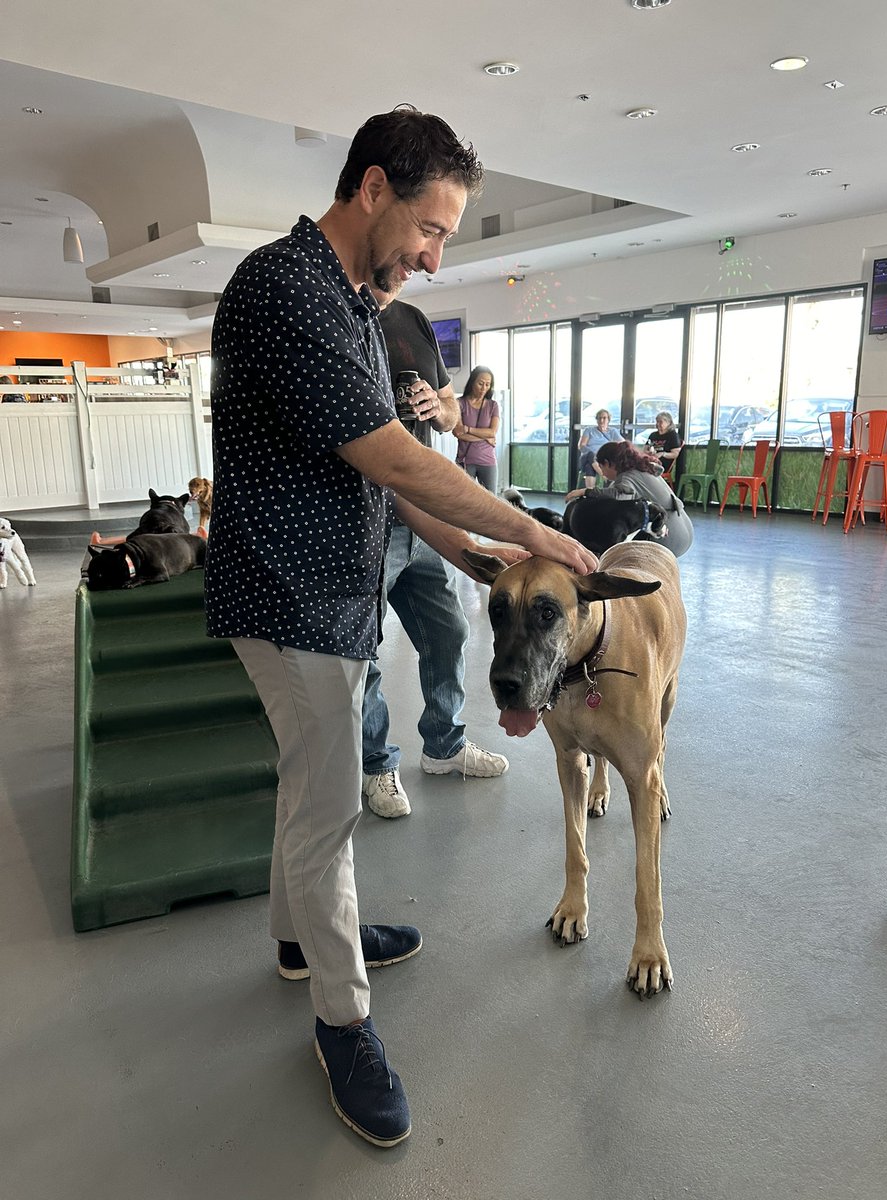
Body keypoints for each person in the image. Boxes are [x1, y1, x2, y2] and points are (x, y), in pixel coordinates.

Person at [204, 106, 598, 1149]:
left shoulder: (352, 305)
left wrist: (490, 555)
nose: (433, 256)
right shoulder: (286, 289)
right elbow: (390, 455)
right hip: (289, 596)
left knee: (309, 788)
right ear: (373, 190)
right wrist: (531, 527)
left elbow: (381, 480)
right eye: (432, 229)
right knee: (329, 812)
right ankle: (342, 1022)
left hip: (328, 588)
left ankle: (301, 945)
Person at [361, 290, 508, 820]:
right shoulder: (338, 316)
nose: (425, 261)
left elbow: (450, 412)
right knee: (365, 649)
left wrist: (437, 406)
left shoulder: (412, 320)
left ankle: (444, 746)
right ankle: (376, 764)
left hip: (418, 517)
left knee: (449, 631)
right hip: (361, 521)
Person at [565, 440, 694, 557]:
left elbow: (619, 495)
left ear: (608, 463)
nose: (602, 473)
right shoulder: (643, 468)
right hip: (684, 526)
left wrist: (586, 491)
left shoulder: (626, 477)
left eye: (601, 467)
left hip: (669, 536)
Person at [453, 366, 499, 491]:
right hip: (465, 461)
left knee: (491, 502)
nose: (484, 388)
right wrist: (485, 437)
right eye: (480, 383)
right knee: (464, 500)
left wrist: (467, 429)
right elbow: (457, 432)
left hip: (487, 461)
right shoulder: (459, 403)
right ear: (472, 382)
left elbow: (492, 432)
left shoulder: (493, 405)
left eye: (487, 384)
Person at [578, 408, 622, 475]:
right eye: (599, 418)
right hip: (588, 456)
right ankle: (605, 476)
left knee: (589, 467)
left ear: (608, 420)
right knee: (591, 455)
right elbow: (582, 446)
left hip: (603, 459)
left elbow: (623, 444)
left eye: (604, 418)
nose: (601, 420)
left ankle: (591, 486)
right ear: (597, 420)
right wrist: (595, 454)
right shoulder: (589, 430)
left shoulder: (613, 431)